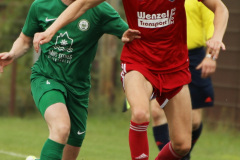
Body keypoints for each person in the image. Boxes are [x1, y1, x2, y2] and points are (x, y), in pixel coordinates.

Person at [33, 0, 229, 160]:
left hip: (174, 67)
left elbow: (220, 7)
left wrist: (217, 37)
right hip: (139, 62)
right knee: (141, 113)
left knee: (182, 145)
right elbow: (83, 3)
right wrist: (51, 29)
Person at [0, 0, 140, 160]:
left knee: (72, 144)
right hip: (46, 78)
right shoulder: (41, 5)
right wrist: (12, 53)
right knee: (61, 128)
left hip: (78, 88)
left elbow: (129, 36)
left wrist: (126, 37)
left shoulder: (100, 9)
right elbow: (24, 40)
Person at [151, 1, 216, 160]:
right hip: (164, 56)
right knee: (156, 111)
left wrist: (211, 56)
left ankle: (180, 153)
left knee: (193, 121)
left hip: (193, 58)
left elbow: (213, 23)